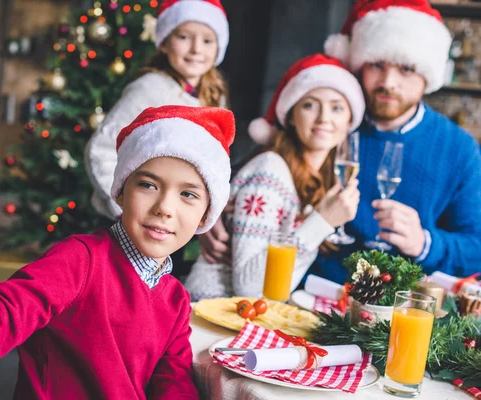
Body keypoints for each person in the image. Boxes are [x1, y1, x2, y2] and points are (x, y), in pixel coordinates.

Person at [0, 105, 235, 399]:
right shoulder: (78, 262)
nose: (164, 208)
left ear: (206, 214)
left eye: (188, 194)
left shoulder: (174, 298)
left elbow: (172, 386)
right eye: (147, 184)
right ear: (120, 192)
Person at [200, 0, 481, 285]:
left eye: (406, 69)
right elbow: (265, 168)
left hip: (396, 307)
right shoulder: (333, 120)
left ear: (427, 74)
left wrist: (426, 244)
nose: (389, 82)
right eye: (377, 65)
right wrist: (213, 211)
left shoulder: (459, 150)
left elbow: (476, 248)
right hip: (304, 293)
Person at [184, 54, 365, 300]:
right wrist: (321, 222)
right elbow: (250, 288)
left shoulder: (311, 180)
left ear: (349, 121)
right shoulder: (269, 170)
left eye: (337, 107)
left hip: (242, 318)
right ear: (291, 116)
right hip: (211, 312)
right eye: (310, 105)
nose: (324, 118)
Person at [86, 0, 229, 220]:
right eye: (183, 37)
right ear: (164, 42)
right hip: (136, 222)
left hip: (179, 222)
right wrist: (126, 210)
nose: (196, 49)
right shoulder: (149, 88)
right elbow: (100, 149)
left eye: (207, 40)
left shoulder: (214, 96)